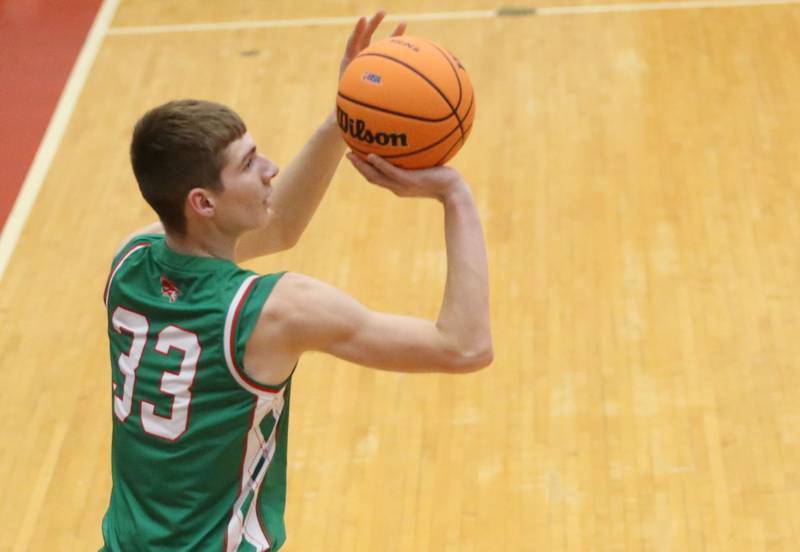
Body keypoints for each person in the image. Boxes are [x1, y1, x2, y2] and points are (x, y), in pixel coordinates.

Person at [99, 11, 492, 552]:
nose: (272, 169)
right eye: (250, 163)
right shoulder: (274, 311)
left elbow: (280, 223)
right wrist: (454, 195)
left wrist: (345, 120)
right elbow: (464, 347)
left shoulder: (128, 262)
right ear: (203, 202)